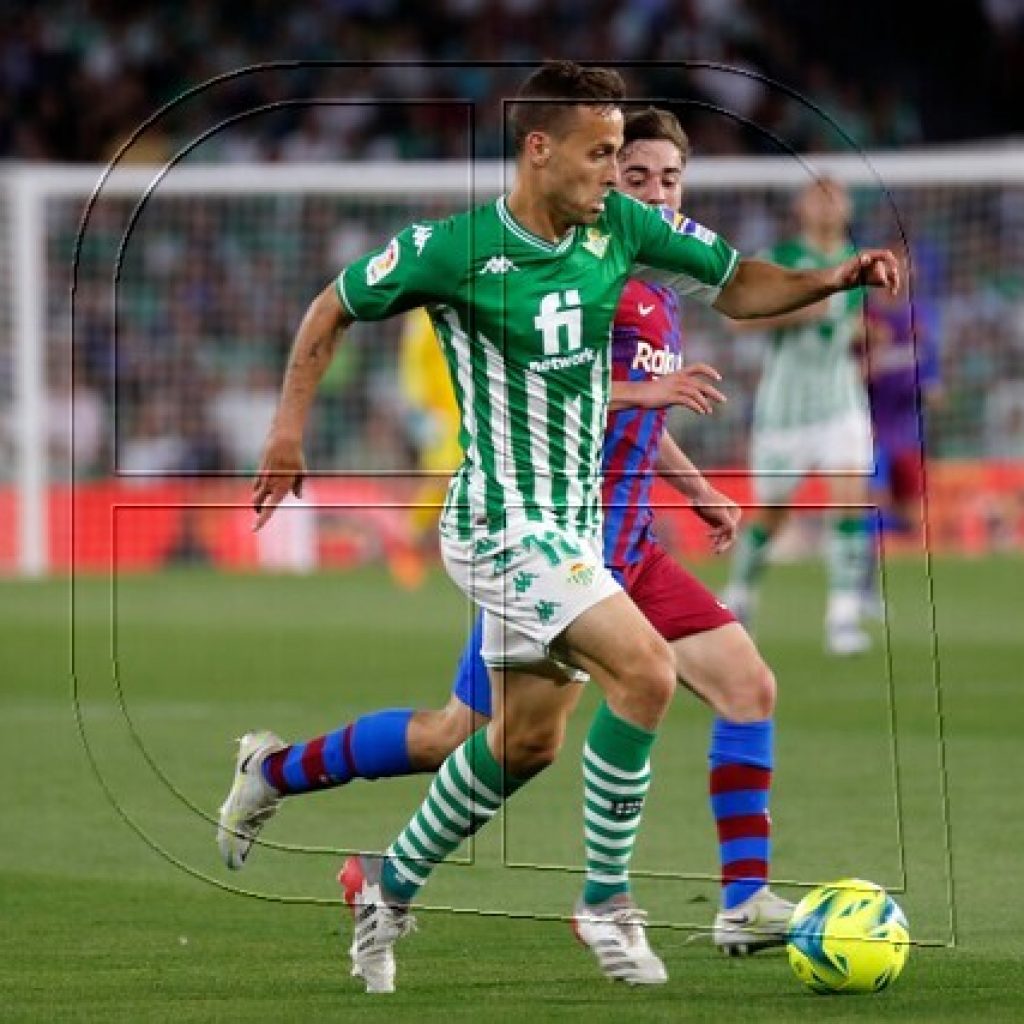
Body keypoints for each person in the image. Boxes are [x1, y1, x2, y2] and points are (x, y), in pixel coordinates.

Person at [219, 62, 899, 993]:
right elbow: (334, 304)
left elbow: (740, 285)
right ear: (540, 150)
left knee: (517, 743)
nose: (619, 176)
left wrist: (836, 278)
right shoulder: (453, 249)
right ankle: (606, 902)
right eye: (603, 156)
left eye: (629, 156)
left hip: (578, 533)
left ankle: (387, 888)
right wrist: (288, 429)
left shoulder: (621, 233)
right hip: (502, 525)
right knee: (647, 672)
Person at [722, 177, 878, 655]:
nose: (828, 205)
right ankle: (739, 596)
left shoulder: (858, 263)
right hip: (784, 411)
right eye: (818, 195)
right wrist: (800, 310)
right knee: (772, 517)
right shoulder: (781, 257)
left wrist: (865, 336)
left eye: (836, 196)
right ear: (801, 206)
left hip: (840, 404)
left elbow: (845, 327)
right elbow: (734, 317)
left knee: (850, 498)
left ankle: (844, 616)